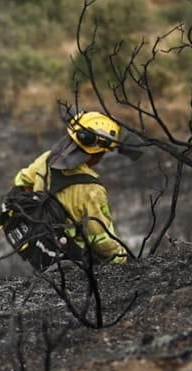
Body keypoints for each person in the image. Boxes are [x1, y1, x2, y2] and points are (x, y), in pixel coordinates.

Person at [7, 111, 132, 266]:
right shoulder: (91, 189)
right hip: (77, 263)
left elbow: (21, 181)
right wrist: (122, 258)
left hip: (44, 252)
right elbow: (100, 239)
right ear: (98, 152)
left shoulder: (47, 158)